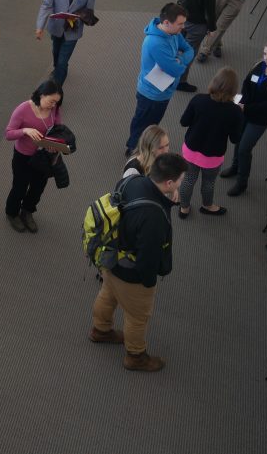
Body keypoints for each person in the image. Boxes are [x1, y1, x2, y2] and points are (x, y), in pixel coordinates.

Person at [90, 153, 187, 372]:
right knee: (137, 317)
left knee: (108, 294)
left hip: (110, 257)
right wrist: (148, 283)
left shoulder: (133, 180)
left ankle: (100, 329)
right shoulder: (153, 217)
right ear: (169, 183)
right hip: (131, 274)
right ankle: (135, 356)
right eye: (180, 179)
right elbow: (148, 259)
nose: (182, 182)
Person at [221, 39, 267, 196]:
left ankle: (242, 182)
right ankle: (235, 167)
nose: (266, 58)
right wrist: (242, 103)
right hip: (243, 111)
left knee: (245, 148)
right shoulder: (259, 66)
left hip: (259, 119)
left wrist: (247, 107)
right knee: (238, 141)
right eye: (264, 53)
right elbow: (246, 84)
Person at [124, 3, 193, 154]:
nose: (183, 27)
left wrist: (179, 60)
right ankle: (133, 150)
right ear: (167, 22)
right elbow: (176, 70)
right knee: (143, 125)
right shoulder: (155, 43)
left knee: (151, 124)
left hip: (163, 92)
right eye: (180, 24)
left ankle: (140, 147)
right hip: (152, 95)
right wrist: (181, 61)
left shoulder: (173, 33)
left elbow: (189, 49)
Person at [177, 67, 244, 218]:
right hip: (213, 156)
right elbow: (235, 139)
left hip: (191, 150)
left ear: (214, 82)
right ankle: (207, 206)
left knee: (188, 180)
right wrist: (240, 117)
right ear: (233, 90)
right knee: (208, 183)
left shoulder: (198, 99)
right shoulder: (235, 112)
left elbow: (183, 121)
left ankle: (184, 208)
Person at [4, 79, 62, 233]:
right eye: (51, 101)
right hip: (23, 156)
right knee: (19, 187)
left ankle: (27, 211)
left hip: (43, 156)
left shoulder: (55, 109)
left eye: (56, 102)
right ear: (42, 95)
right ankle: (12, 213)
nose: (53, 106)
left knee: (38, 187)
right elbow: (8, 134)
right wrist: (25, 131)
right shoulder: (23, 109)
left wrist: (53, 142)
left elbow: (57, 127)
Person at [35, 0, 96, 86]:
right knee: (56, 53)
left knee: (63, 62)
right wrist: (40, 26)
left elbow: (89, 11)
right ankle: (57, 69)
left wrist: (80, 15)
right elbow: (46, 4)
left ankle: (57, 90)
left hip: (73, 30)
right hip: (56, 28)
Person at [176, 0, 227, 92]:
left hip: (182, 19)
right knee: (189, 53)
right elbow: (209, 10)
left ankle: (169, 72)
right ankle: (180, 82)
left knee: (177, 47)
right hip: (197, 25)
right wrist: (212, 28)